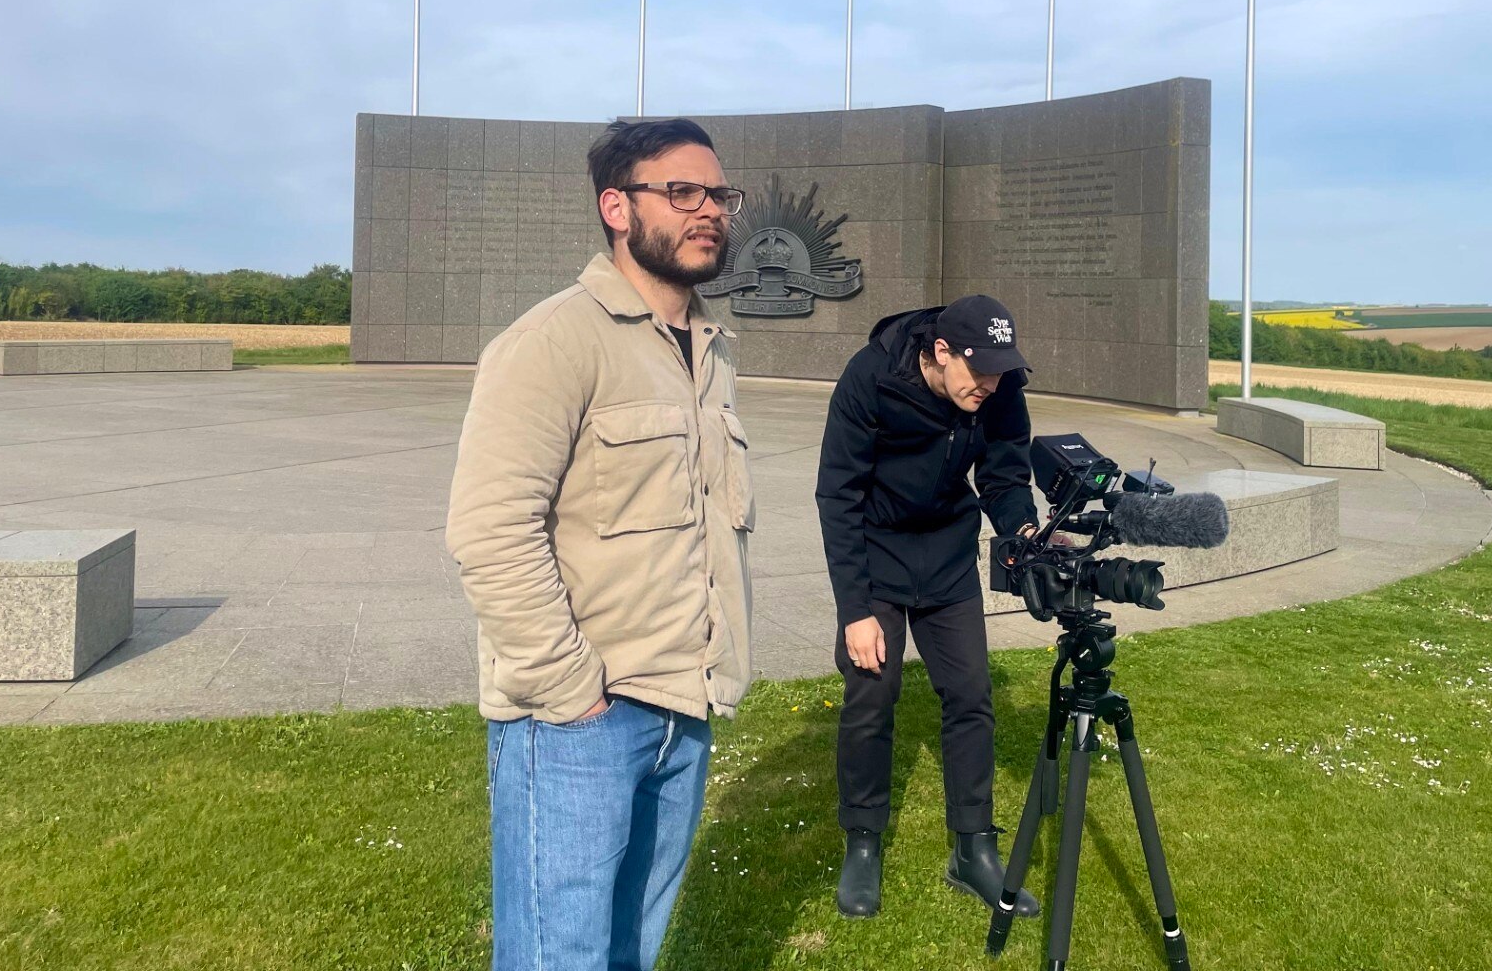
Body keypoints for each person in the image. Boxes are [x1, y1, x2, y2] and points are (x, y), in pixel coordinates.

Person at [446, 117, 755, 971]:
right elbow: (489, 529)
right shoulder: (552, 342)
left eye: (719, 196)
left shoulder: (710, 350)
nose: (709, 212)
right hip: (581, 718)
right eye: (682, 192)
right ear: (616, 207)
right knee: (561, 958)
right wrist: (571, 691)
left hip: (684, 708)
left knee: (632, 951)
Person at [814, 293, 1045, 920]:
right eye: (981, 372)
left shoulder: (997, 389)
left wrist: (1022, 531)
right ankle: (863, 842)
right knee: (871, 697)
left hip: (946, 557)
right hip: (877, 556)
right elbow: (837, 493)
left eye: (1001, 372)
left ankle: (973, 848)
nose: (991, 385)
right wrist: (854, 609)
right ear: (940, 353)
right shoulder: (870, 377)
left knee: (971, 696)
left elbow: (1003, 475)